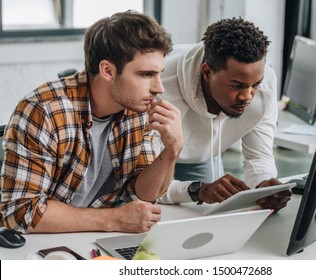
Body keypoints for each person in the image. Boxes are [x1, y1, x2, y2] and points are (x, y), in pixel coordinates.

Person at [0, 10, 183, 234]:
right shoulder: (44, 111)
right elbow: (20, 213)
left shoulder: (138, 107)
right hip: (43, 246)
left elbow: (142, 194)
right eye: (146, 74)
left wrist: (172, 150)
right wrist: (114, 219)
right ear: (107, 70)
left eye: (159, 74)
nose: (159, 88)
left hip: (95, 238)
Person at [158, 17, 291, 211]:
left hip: (202, 158)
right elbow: (143, 186)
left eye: (255, 84)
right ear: (206, 72)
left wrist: (264, 186)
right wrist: (198, 190)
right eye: (236, 85)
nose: (247, 96)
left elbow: (258, 157)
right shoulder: (159, 88)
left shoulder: (265, 87)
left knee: (209, 217)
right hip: (154, 158)